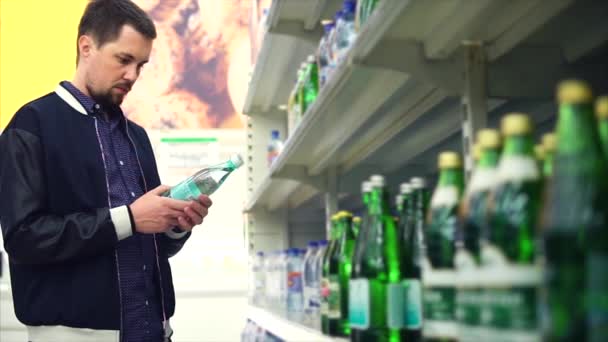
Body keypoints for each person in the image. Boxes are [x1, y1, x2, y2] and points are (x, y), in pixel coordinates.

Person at [0, 1, 212, 341]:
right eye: (124, 60)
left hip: (153, 329)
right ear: (87, 46)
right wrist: (129, 218)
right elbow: (24, 238)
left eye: (141, 65)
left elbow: (149, 242)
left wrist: (174, 226)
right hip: (72, 334)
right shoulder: (31, 125)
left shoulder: (136, 136)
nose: (133, 76)